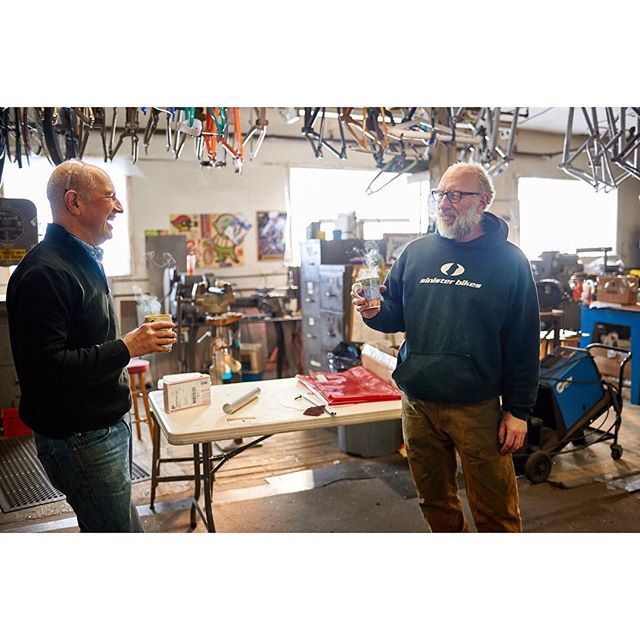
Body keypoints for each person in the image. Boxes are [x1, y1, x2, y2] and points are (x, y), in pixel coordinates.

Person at [352, 161, 540, 532]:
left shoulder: (510, 262)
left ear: (483, 201)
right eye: (441, 194)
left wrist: (518, 410)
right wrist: (373, 310)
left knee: (495, 510)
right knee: (434, 501)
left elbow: (523, 339)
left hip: (477, 407)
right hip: (418, 402)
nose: (445, 203)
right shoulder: (416, 252)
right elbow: (395, 315)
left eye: (456, 194)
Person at [6, 160, 177, 533]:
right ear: (74, 203)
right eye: (110, 197)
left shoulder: (80, 259)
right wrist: (127, 347)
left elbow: (82, 342)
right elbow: (47, 368)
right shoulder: (45, 273)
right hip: (81, 437)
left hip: (101, 428)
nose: (119, 207)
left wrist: (129, 344)